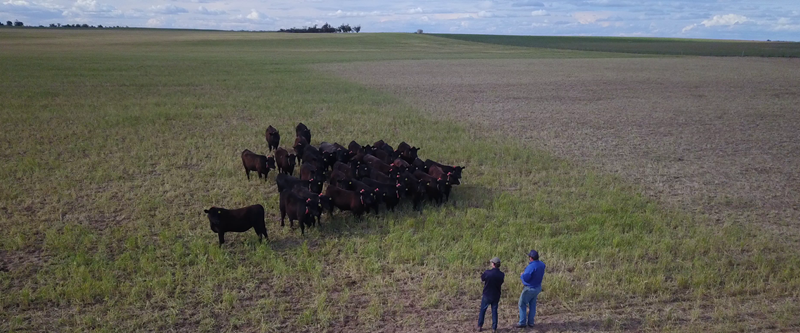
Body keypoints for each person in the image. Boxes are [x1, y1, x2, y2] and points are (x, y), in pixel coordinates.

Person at [518, 250, 545, 328]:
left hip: (529, 288)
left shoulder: (531, 267)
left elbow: (526, 278)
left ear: (531, 258)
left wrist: (522, 275)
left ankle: (522, 322)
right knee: (532, 304)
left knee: (522, 304)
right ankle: (531, 322)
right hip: (537, 287)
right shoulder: (542, 264)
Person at [477, 257, 504, 332]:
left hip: (487, 295)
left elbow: (482, 279)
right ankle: (494, 328)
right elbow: (501, 282)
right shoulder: (501, 274)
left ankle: (480, 325)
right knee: (494, 311)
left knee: (483, 310)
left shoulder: (487, 273)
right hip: (496, 295)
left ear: (493, 264)